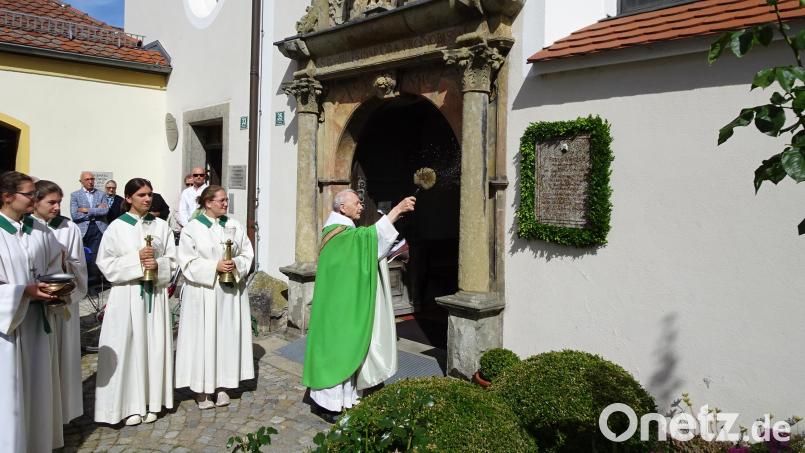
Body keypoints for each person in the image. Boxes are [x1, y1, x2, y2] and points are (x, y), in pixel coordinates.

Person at [303, 189, 415, 422]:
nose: (361, 206)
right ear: (342, 208)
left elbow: (363, 244)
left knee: (342, 348)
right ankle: (328, 405)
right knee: (337, 350)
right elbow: (368, 239)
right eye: (357, 203)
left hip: (338, 302)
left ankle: (342, 400)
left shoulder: (341, 232)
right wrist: (397, 210)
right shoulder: (339, 234)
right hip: (337, 307)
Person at [94, 178, 177, 426]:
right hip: (127, 295)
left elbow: (173, 261)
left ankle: (153, 401)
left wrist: (158, 265)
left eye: (150, 194)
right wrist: (137, 260)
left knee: (154, 346)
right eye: (141, 195)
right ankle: (128, 406)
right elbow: (105, 264)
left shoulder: (161, 226)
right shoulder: (117, 227)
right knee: (127, 347)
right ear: (128, 198)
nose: (147, 198)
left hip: (155, 295)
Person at [0, 171, 64, 451]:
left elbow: (54, 265)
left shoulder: (39, 230)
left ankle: (38, 443)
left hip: (39, 320)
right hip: (9, 327)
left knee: (39, 386)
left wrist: (57, 285)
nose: (34, 199)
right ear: (7, 197)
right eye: (29, 194)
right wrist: (22, 292)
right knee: (11, 391)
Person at [176, 185, 254, 409]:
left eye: (226, 200)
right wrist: (214, 266)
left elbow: (247, 253)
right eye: (221, 200)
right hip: (204, 292)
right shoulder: (192, 228)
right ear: (208, 203)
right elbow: (186, 261)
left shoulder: (234, 225)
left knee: (225, 337)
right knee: (202, 338)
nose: (225, 204)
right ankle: (201, 390)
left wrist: (235, 264)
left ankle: (222, 385)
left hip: (229, 293)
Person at [32, 180, 88, 425]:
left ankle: (64, 414)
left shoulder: (68, 227)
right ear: (35, 202)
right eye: (51, 202)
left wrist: (65, 261)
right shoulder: (27, 228)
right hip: (36, 303)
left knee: (64, 358)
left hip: (64, 301)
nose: (56, 207)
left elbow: (79, 266)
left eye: (59, 202)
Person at [70, 171, 109, 288]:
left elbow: (105, 211)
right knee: (82, 257)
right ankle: (82, 284)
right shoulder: (75, 195)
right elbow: (75, 215)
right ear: (81, 181)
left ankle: (93, 286)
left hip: (97, 229)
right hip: (82, 230)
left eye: (92, 179)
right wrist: (96, 210)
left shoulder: (101, 194)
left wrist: (86, 210)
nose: (90, 181)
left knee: (95, 257)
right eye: (87, 179)